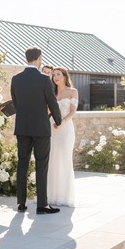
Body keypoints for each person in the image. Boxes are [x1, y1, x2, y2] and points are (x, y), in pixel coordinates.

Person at [11, 46, 62, 214]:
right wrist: (58, 119)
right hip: (41, 128)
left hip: (23, 127)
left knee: (22, 165)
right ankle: (42, 205)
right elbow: (52, 102)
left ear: (26, 59)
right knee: (41, 166)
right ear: (39, 58)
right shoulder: (44, 79)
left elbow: (16, 103)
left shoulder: (16, 79)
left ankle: (21, 204)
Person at [47, 66, 79, 207]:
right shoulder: (50, 92)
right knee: (52, 159)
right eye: (54, 75)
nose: (56, 77)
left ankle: (65, 196)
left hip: (65, 128)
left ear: (65, 76)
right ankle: (51, 195)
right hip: (51, 128)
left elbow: (72, 112)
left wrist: (62, 122)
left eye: (58, 74)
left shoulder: (73, 91)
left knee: (65, 159)